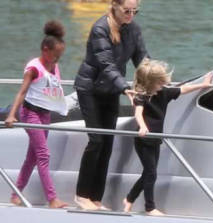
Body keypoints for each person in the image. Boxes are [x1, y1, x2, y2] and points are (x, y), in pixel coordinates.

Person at [73, 0, 148, 210]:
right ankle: (81, 195)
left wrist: (156, 79)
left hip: (111, 90)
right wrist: (125, 88)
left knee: (107, 143)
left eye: (135, 11)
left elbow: (142, 58)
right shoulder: (100, 28)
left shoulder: (133, 28)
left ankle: (96, 199)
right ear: (115, 6)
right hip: (91, 89)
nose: (131, 15)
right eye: (127, 11)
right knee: (96, 140)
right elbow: (106, 64)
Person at [122, 59, 213, 216]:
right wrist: (143, 126)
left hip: (156, 138)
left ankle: (129, 199)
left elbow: (183, 89)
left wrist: (203, 85)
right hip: (143, 139)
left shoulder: (163, 92)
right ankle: (149, 207)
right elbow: (138, 113)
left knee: (149, 172)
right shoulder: (141, 97)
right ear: (150, 83)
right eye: (159, 83)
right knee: (151, 173)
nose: (162, 85)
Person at [5, 20, 68, 208]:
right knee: (43, 154)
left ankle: (16, 194)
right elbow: (22, 92)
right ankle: (52, 199)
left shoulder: (54, 65)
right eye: (55, 56)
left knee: (32, 157)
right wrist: (12, 115)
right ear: (45, 50)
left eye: (60, 57)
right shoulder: (34, 68)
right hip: (30, 113)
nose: (57, 60)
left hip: (45, 114)